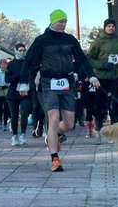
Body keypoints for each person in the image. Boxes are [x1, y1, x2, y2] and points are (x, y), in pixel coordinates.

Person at [18, 9, 100, 172]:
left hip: (66, 83)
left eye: (65, 22)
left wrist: (91, 76)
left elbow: (82, 58)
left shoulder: (69, 39)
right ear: (52, 21)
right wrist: (24, 82)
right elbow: (30, 62)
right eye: (60, 21)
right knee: (53, 119)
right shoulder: (42, 40)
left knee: (69, 124)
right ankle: (55, 159)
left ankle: (51, 136)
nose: (63, 24)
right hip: (49, 83)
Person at [86, 18, 118, 143]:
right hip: (101, 78)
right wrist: (101, 65)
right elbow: (89, 58)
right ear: (105, 28)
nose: (111, 28)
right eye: (109, 26)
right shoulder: (98, 41)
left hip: (115, 77)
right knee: (99, 105)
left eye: (113, 26)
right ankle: (98, 129)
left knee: (116, 105)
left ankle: (115, 132)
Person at [5, 43, 33, 146]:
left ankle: (23, 134)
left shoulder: (28, 63)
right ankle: (14, 136)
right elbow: (7, 79)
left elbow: (32, 76)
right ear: (16, 51)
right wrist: (17, 76)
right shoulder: (11, 64)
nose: (22, 52)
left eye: (24, 50)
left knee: (24, 113)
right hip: (13, 93)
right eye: (20, 50)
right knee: (14, 115)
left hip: (26, 91)